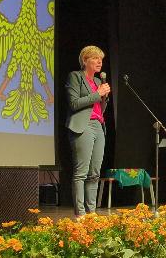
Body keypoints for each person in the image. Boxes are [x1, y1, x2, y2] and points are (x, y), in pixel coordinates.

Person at [65, 45, 110, 217]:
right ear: (85, 60)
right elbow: (74, 103)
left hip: (99, 126)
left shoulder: (99, 81)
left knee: (94, 173)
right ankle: (81, 215)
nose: (99, 62)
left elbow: (100, 109)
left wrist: (104, 97)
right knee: (81, 173)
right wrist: (98, 94)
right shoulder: (75, 77)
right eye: (95, 58)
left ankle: (92, 214)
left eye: (101, 59)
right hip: (83, 126)